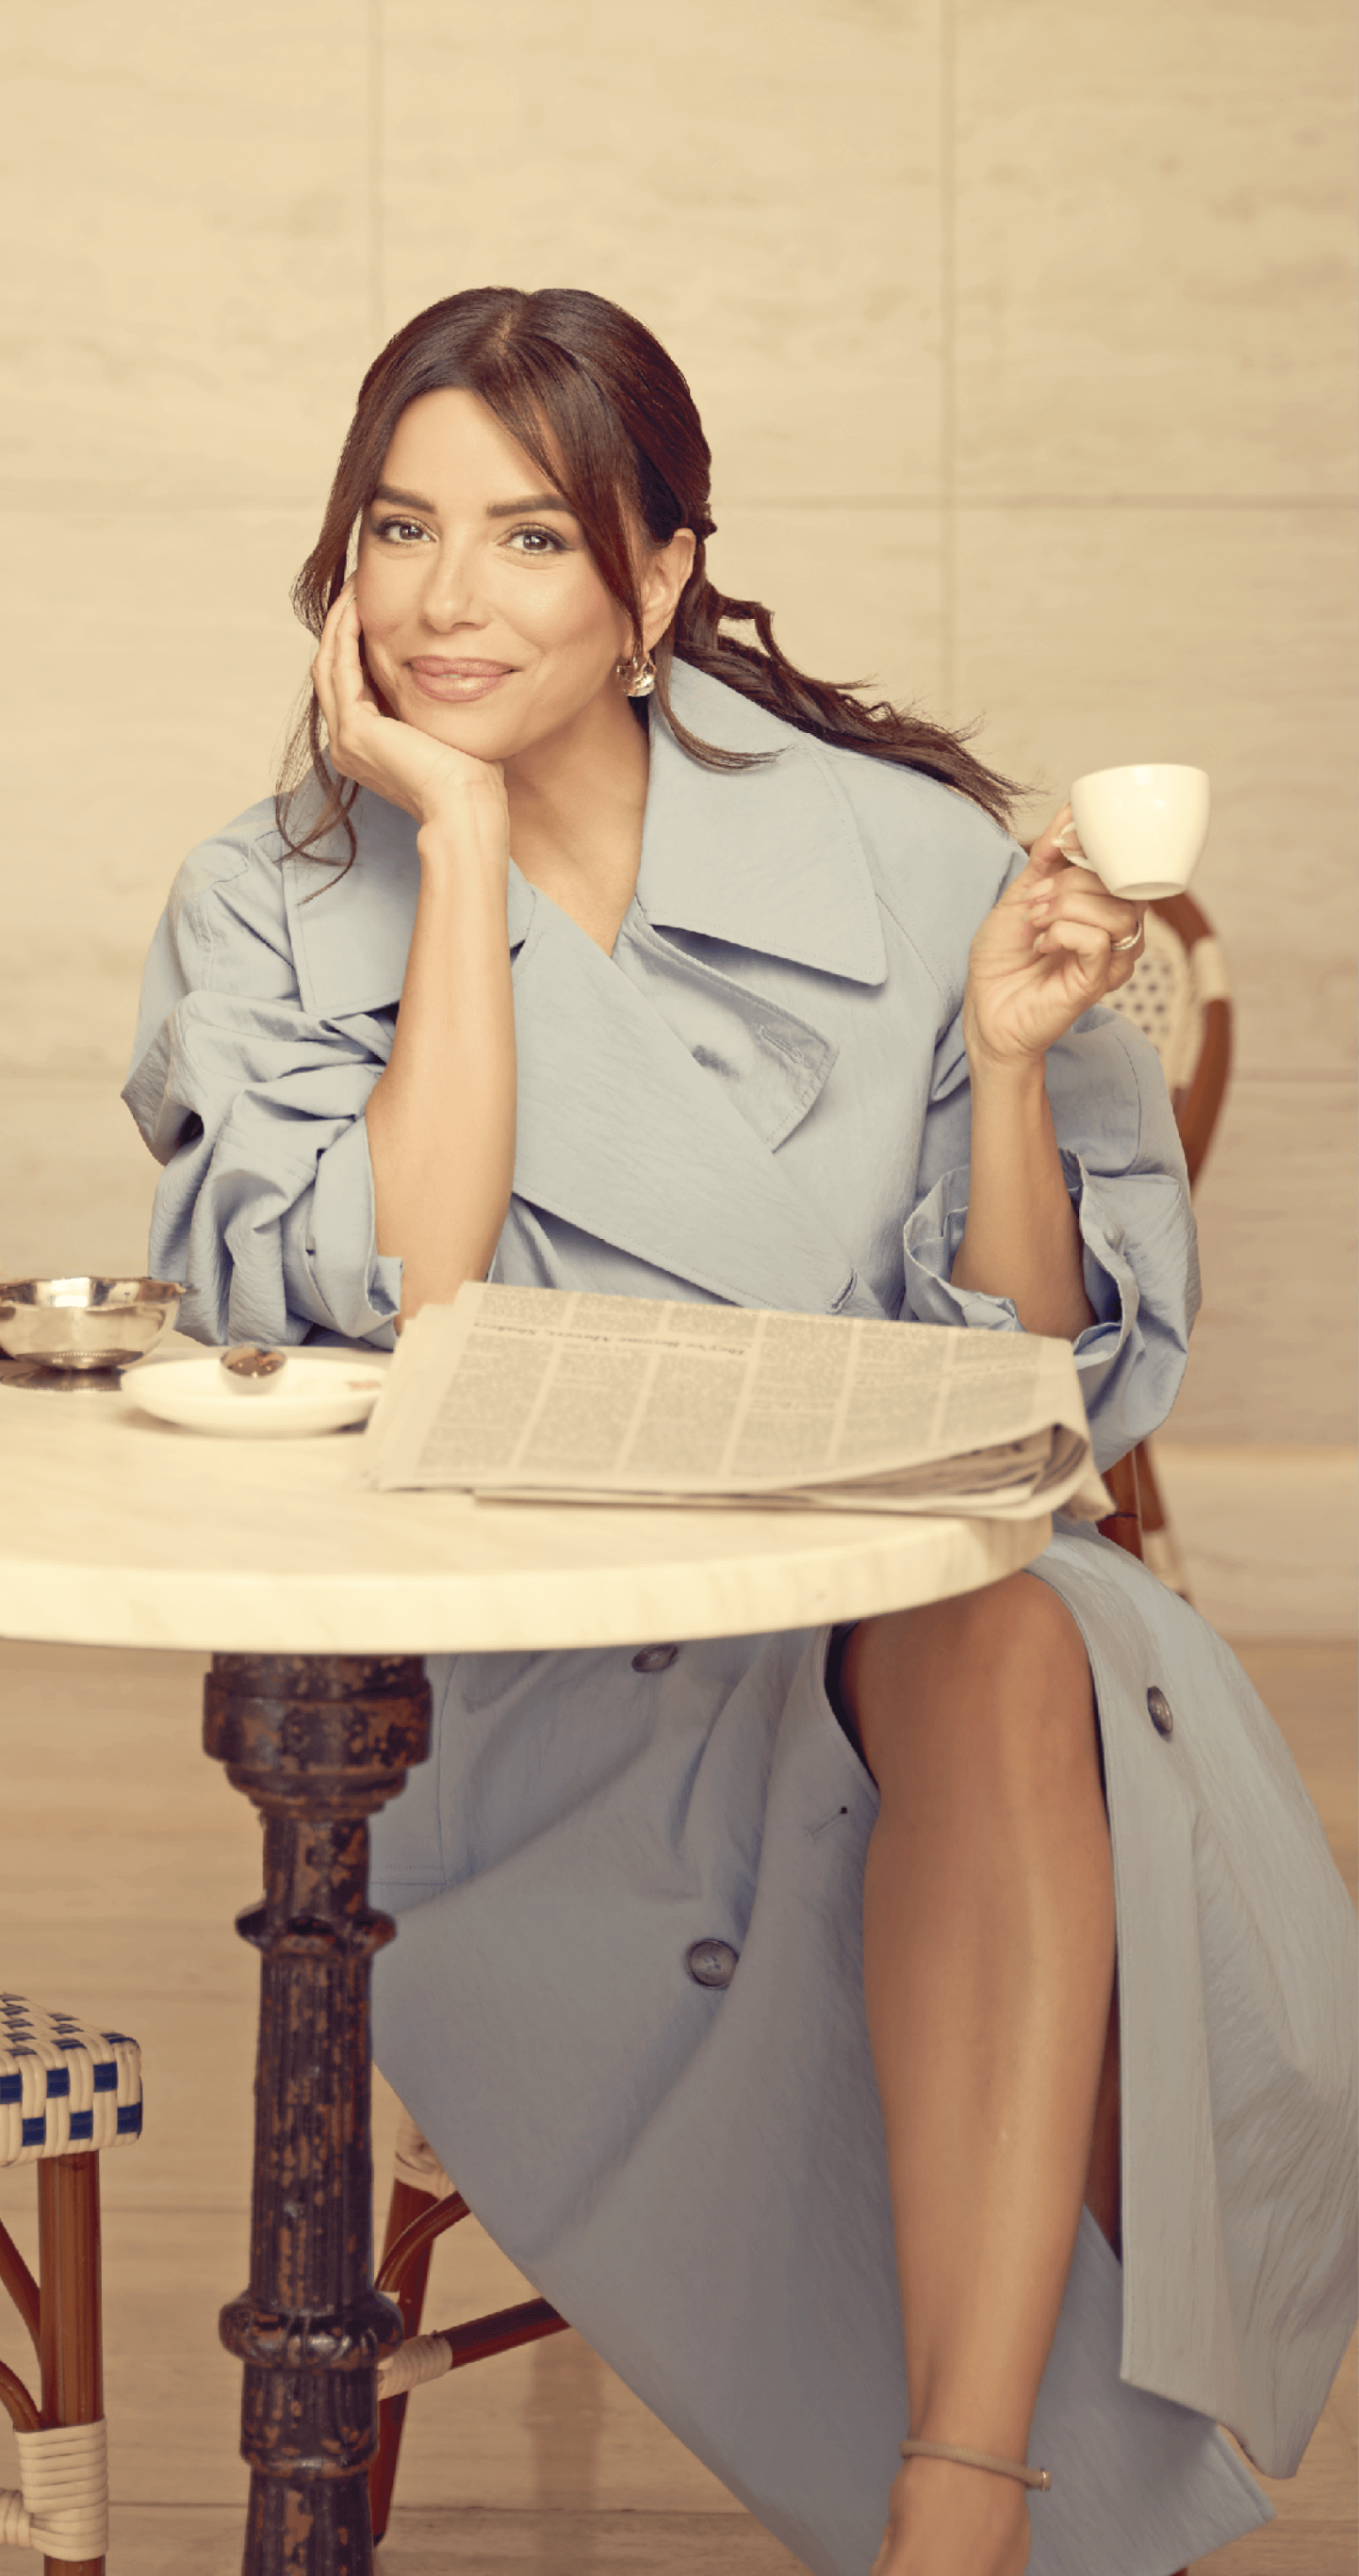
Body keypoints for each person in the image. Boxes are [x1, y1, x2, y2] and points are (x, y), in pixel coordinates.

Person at [123, 288, 1354, 2576]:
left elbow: (1029, 1387)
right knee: (987, 1655)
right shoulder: (275, 894)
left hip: (882, 1613)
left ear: (660, 576)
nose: (444, 598)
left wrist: (998, 1064)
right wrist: (462, 854)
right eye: (399, 528)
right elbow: (409, 1284)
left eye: (525, 540)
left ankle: (955, 2505)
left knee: (1016, 1630)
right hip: (506, 1686)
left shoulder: (905, 857)